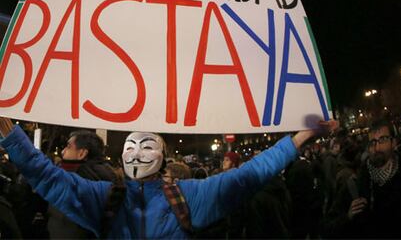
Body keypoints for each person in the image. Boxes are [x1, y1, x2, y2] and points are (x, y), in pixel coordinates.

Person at [0, 117, 336, 239]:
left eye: (147, 147)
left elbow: (249, 176)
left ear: (163, 158)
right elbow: (46, 176)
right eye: (130, 147)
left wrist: (298, 139)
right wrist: (10, 132)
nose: (136, 154)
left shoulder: (190, 196)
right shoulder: (103, 196)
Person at [324, 119, 401, 238]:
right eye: (372, 142)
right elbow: (327, 228)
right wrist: (347, 217)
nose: (377, 147)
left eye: (383, 140)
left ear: (394, 143)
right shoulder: (356, 183)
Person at [47, 130, 118, 239]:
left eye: (68, 147)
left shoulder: (77, 179)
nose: (63, 152)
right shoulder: (105, 176)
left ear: (82, 153)